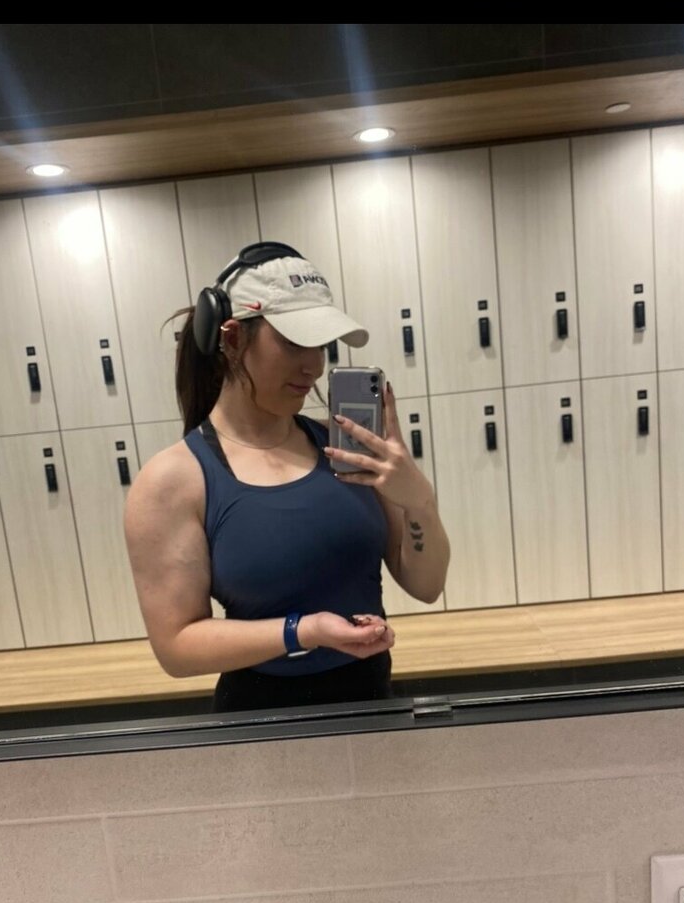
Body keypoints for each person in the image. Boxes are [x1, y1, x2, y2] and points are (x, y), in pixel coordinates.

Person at [124, 241, 449, 712]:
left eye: (320, 345)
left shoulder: (345, 448)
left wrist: (420, 502)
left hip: (373, 707)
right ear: (232, 338)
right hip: (261, 724)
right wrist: (303, 631)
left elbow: (426, 586)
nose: (313, 364)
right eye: (295, 342)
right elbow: (177, 647)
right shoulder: (174, 480)